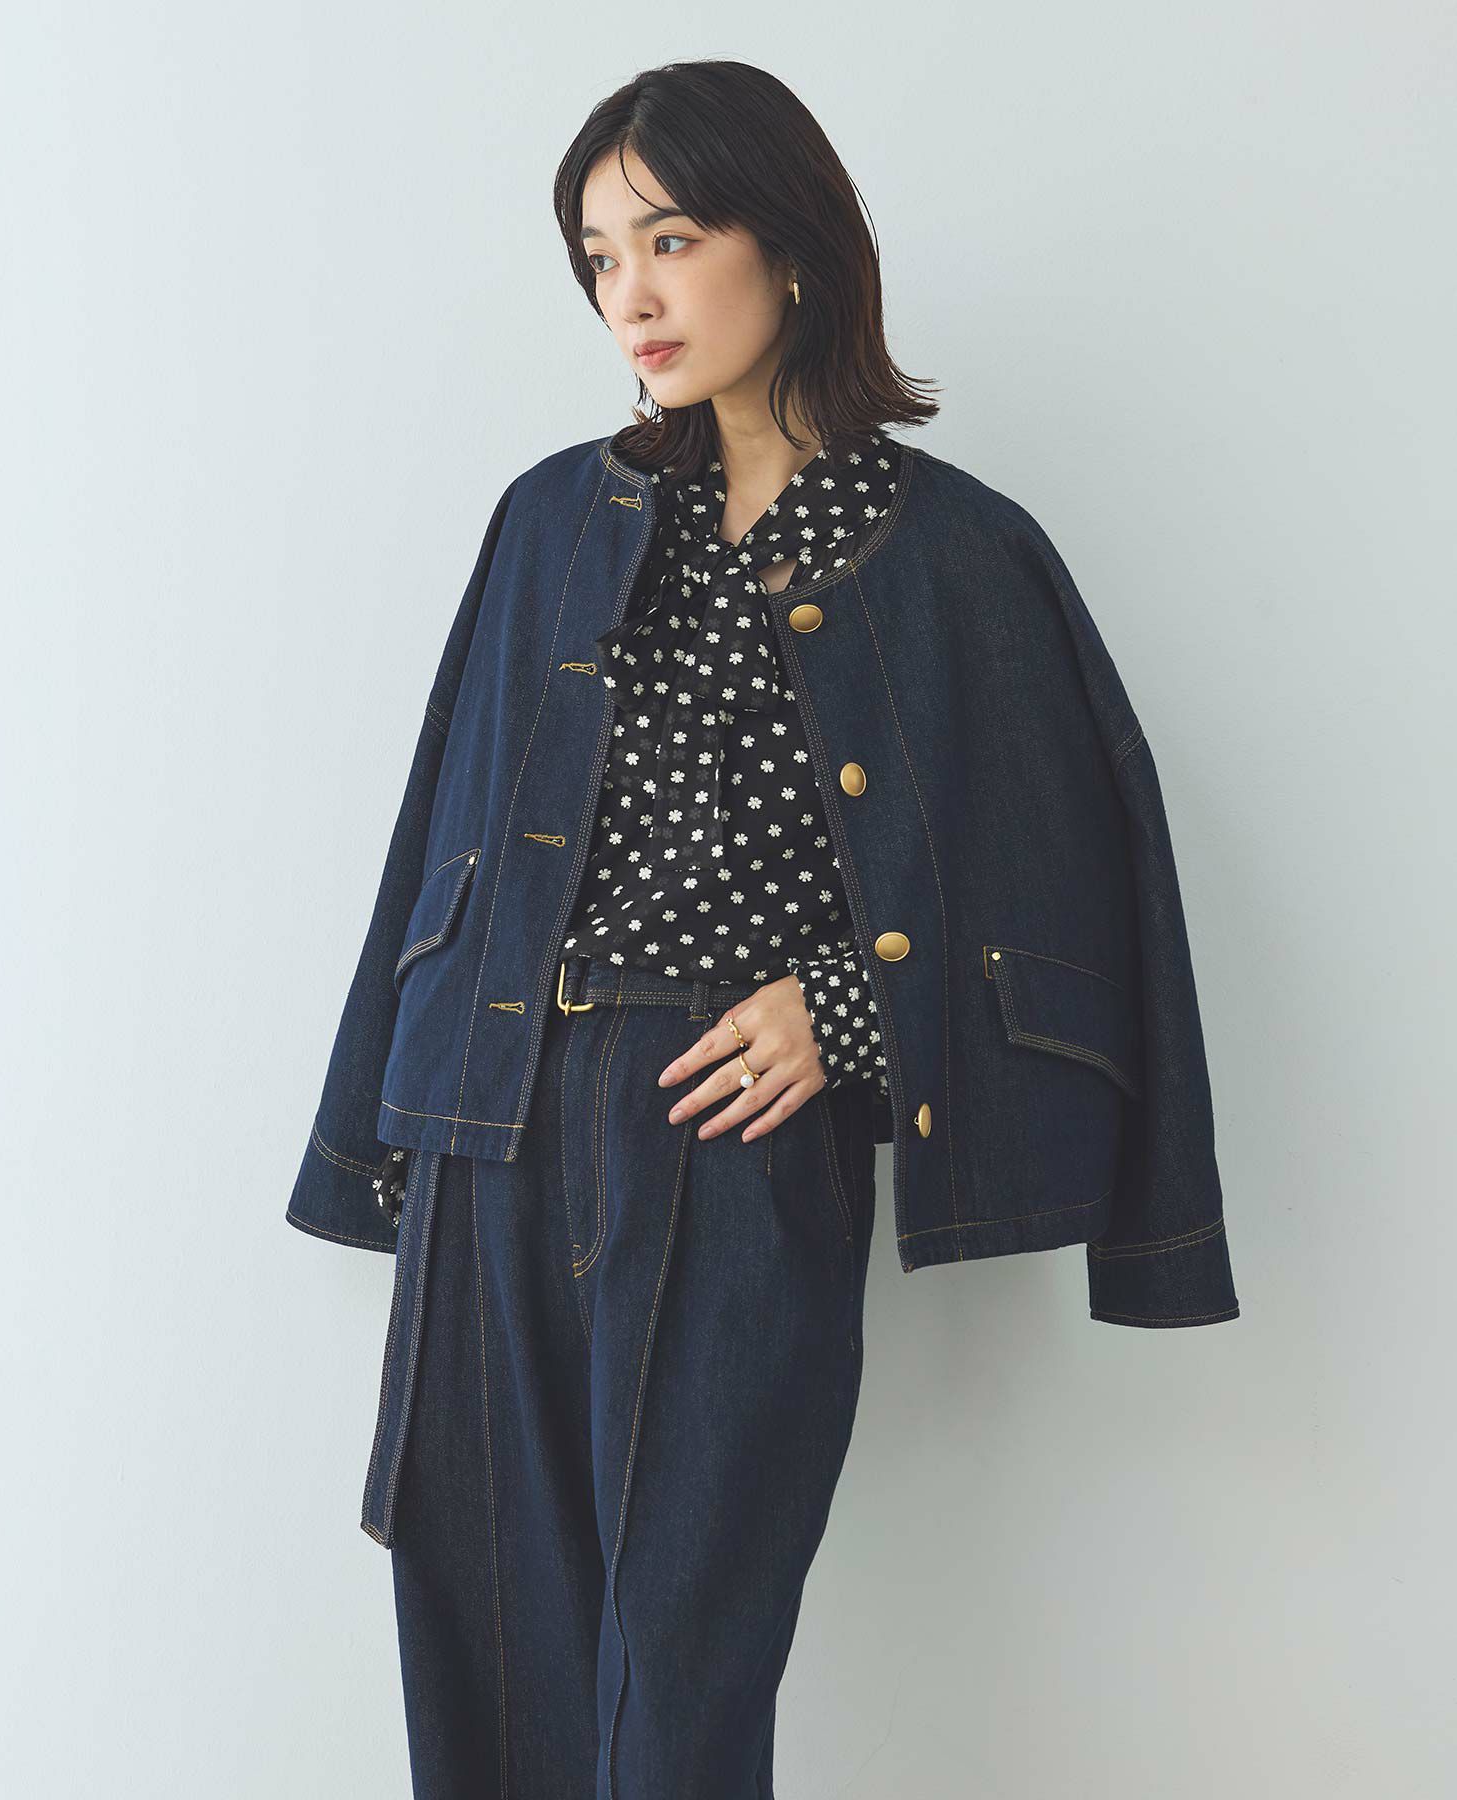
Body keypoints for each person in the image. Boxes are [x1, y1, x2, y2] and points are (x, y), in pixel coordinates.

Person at [285, 58, 1240, 1800]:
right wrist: (374, 1148)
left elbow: (1074, 880)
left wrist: (847, 1015)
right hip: (496, 1120)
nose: (629, 296)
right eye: (598, 258)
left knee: (682, 1676)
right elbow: (444, 825)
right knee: (486, 1650)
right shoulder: (551, 518)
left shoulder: (956, 552)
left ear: (789, 246)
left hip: (730, 1139)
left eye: (670, 239)